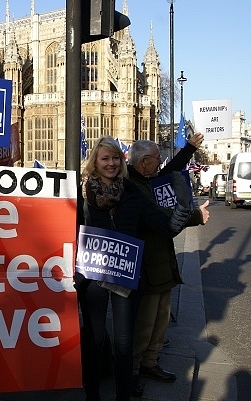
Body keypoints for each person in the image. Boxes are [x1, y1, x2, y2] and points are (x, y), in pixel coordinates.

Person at [75, 136, 193, 401]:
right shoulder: (81, 194)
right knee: (94, 342)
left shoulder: (133, 193)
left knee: (124, 344)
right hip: (92, 278)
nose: (111, 163)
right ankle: (92, 396)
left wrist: (184, 206)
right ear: (95, 161)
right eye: (105, 158)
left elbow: (166, 228)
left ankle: (123, 397)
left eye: (116, 158)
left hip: (126, 276)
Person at [127, 137, 210, 395]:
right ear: (144, 163)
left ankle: (150, 362)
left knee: (160, 320)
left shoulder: (149, 179)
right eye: (155, 160)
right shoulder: (133, 187)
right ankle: (132, 371)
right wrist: (195, 216)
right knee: (144, 324)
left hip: (161, 263)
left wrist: (189, 149)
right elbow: (160, 217)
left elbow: (170, 171)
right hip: (146, 266)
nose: (159, 164)